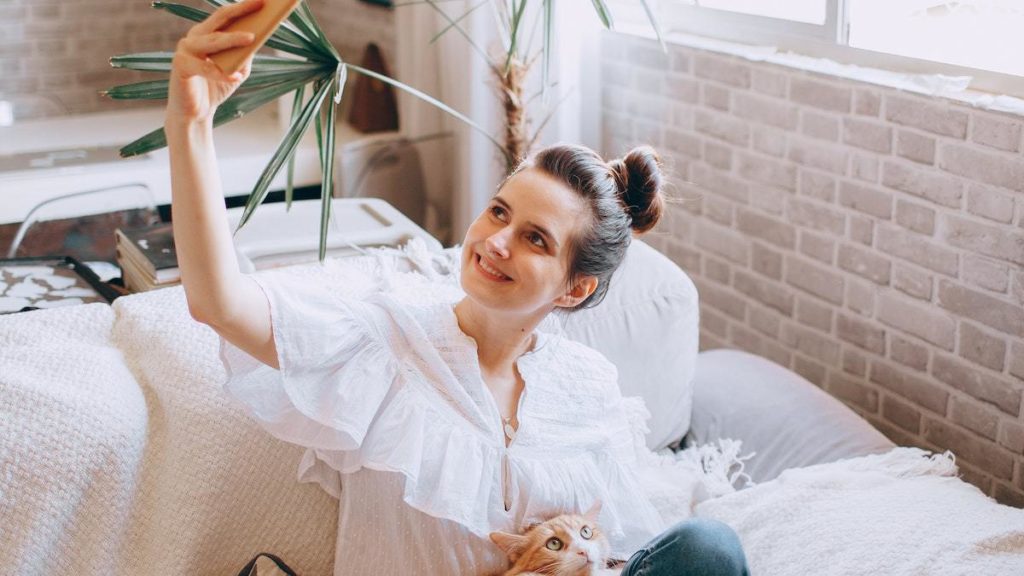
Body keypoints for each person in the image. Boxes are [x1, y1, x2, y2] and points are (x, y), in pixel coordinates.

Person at [166, 1, 750, 575]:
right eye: (498, 212)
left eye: (535, 239)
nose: (496, 241)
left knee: (709, 548)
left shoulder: (588, 388)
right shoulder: (384, 343)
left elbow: (616, 547)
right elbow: (218, 302)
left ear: (573, 290)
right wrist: (190, 122)